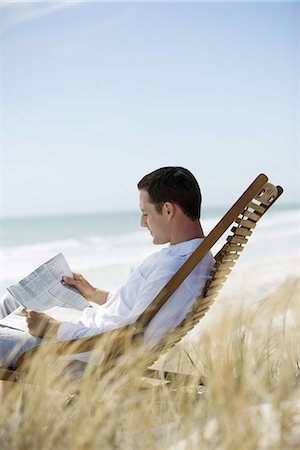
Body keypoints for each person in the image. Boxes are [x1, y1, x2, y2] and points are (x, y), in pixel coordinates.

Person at [0, 167, 215, 368]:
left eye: (146, 213)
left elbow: (130, 337)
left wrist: (54, 329)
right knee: (12, 300)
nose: (142, 223)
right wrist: (93, 293)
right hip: (90, 330)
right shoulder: (190, 256)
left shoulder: (174, 268)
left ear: (168, 210)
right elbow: (141, 311)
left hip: (81, 352)